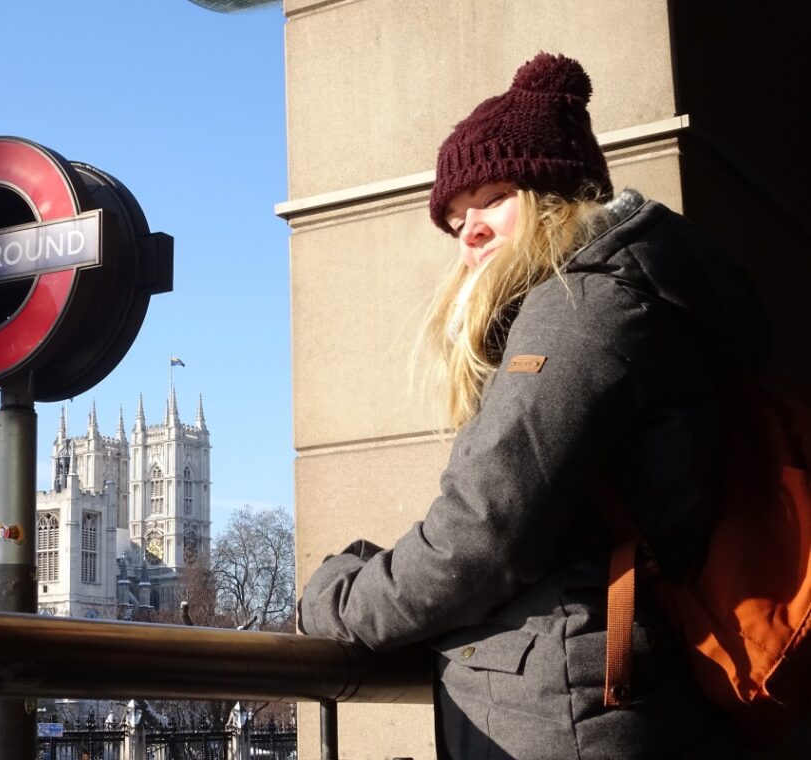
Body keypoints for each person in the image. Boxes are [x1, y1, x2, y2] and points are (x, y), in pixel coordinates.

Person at [297, 51, 767, 759]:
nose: (469, 231)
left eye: (490, 197)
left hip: (572, 722)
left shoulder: (578, 308)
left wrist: (336, 599)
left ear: (554, 194)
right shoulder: (617, 298)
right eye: (455, 220)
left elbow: (483, 536)